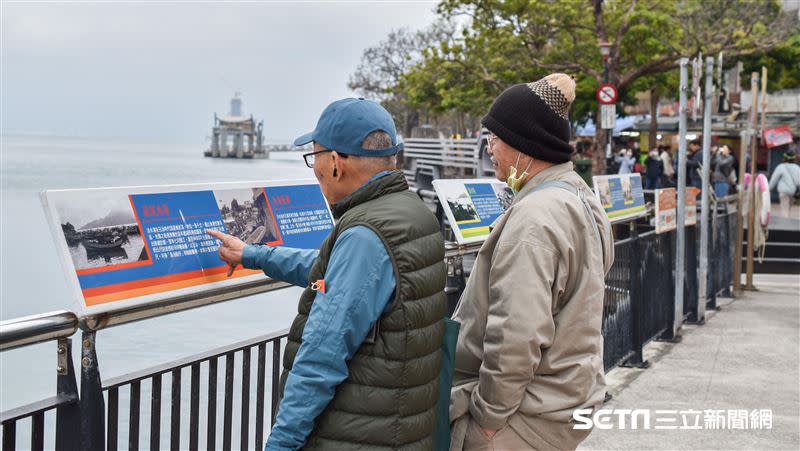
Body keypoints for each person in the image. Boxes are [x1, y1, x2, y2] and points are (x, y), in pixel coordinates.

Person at [207, 98, 447, 450]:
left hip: (356, 434)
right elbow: (339, 272)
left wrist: (281, 443)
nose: (314, 169)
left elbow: (322, 355)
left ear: (335, 163)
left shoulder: (365, 234)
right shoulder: (410, 211)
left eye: (314, 157)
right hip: (399, 426)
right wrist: (253, 254)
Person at [449, 74, 614, 450]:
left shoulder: (534, 218)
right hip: (566, 398)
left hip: (525, 416)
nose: (490, 148)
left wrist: (488, 419)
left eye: (494, 137)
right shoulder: (580, 197)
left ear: (523, 142)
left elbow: (516, 335)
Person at [768, 150, 800, 218]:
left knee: (784, 209)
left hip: (783, 191)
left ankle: (785, 225)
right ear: (794, 158)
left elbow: (774, 179)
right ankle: (787, 223)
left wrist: (769, 189)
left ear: (784, 158)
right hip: (793, 192)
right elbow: (798, 181)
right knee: (788, 209)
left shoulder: (781, 167)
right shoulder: (797, 168)